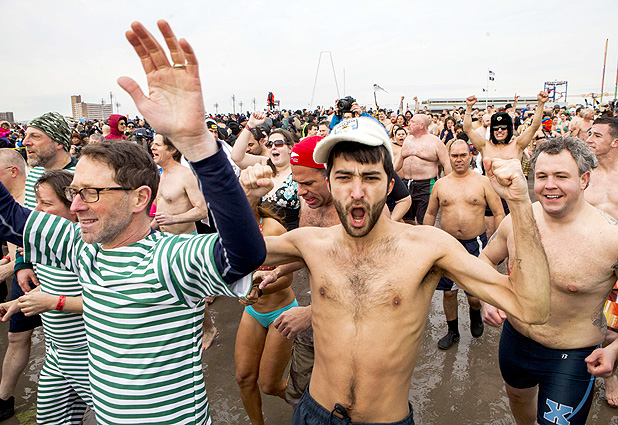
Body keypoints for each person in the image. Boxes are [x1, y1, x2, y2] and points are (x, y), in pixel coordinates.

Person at [0, 20, 265, 425]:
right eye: (75, 191)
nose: (75, 206)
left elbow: (244, 254)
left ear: (141, 198)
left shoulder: (168, 259)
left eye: (92, 193)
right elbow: (10, 219)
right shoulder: (82, 246)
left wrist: (198, 144)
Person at [242, 116, 550, 424]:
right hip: (314, 414)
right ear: (330, 183)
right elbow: (231, 256)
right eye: (344, 177)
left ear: (390, 185)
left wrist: (520, 203)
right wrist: (247, 198)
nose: (357, 192)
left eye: (371, 178)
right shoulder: (310, 242)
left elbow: (531, 307)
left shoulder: (428, 248)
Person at [480, 136, 618, 425]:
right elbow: (486, 260)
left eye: (561, 176)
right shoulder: (517, 219)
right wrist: (486, 299)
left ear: (584, 179)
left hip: (573, 356)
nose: (549, 185)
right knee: (519, 402)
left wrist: (614, 350)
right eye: (542, 176)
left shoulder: (610, 238)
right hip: (515, 342)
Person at [0, 112, 78, 421]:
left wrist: (54, 301)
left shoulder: (82, 178)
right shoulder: (34, 177)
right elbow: (22, 226)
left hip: (85, 345)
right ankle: (3, 398)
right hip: (42, 285)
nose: (25, 142)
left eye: (35, 136)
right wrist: (22, 264)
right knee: (17, 338)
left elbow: (108, 296)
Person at [1, 169, 91, 425]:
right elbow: (52, 287)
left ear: (73, 207)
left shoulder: (86, 248)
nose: (37, 210)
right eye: (36, 202)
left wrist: (54, 303)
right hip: (56, 353)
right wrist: (18, 303)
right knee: (50, 419)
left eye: (46, 204)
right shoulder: (45, 248)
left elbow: (108, 301)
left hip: (86, 356)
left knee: (114, 416)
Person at [423, 140, 505, 350]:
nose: (458, 159)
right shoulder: (441, 184)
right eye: (454, 156)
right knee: (448, 292)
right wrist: (426, 241)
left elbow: (499, 212)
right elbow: (430, 213)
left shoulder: (483, 182)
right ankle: (453, 331)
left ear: (470, 156)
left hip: (475, 244)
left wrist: (498, 243)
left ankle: (475, 314)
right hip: (448, 244)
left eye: (462, 155)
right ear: (449, 157)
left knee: (474, 294)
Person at [234, 204, 295, 425]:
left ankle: (313, 404)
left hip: (281, 311)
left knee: (271, 385)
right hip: (253, 311)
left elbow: (287, 278)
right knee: (244, 378)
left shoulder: (273, 229)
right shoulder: (230, 230)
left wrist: (258, 291)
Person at [584, 116, 618, 406]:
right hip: (590, 257)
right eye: (589, 133)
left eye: (597, 135)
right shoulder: (584, 174)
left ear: (615, 142)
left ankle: (610, 370)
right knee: (593, 322)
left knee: (613, 328)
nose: (589, 139)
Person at [232, 112, 300, 229]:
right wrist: (250, 125)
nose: (273, 147)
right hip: (263, 230)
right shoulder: (265, 163)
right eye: (269, 144)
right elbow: (237, 157)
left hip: (288, 232)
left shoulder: (298, 171)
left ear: (290, 148)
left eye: (278, 144)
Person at [394, 114, 452, 224]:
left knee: (424, 220)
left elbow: (446, 164)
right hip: (407, 184)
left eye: (412, 122)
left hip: (426, 185)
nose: (409, 124)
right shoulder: (408, 140)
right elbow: (399, 161)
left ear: (421, 125)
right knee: (406, 219)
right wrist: (388, 173)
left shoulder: (435, 142)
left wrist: (449, 186)